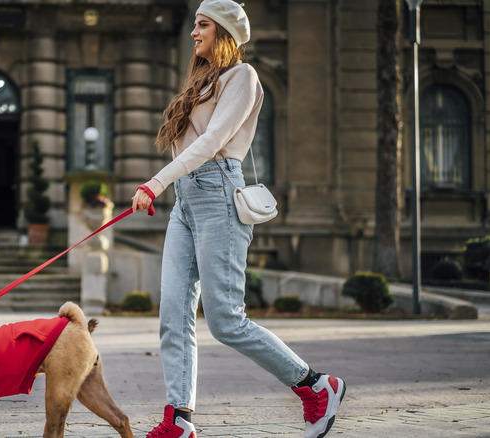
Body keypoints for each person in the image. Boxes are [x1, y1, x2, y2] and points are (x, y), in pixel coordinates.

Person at [131, 1, 346, 437]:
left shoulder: (243, 78)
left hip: (218, 196)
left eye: (203, 25)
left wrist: (155, 182)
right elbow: (187, 145)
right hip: (186, 202)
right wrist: (171, 186)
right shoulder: (201, 82)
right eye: (195, 25)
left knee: (226, 319)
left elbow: (214, 141)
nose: (194, 33)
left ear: (224, 32)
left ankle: (315, 386)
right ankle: (179, 420)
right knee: (173, 315)